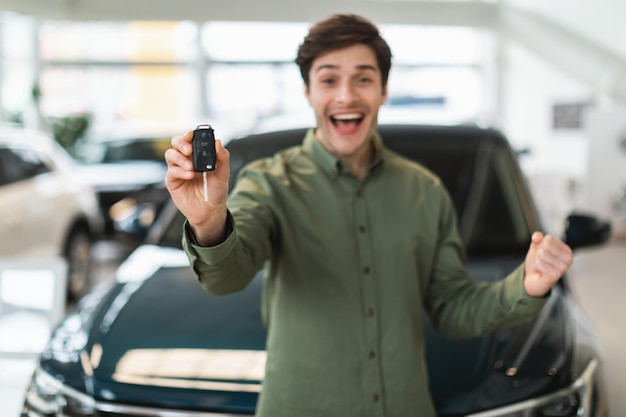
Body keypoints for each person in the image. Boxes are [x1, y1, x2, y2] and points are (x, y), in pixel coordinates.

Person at [164, 13, 573, 417]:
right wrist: (208, 220)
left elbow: (452, 306)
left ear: (382, 90)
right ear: (308, 92)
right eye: (328, 80)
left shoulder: (424, 190)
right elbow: (227, 277)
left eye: (363, 78)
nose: (346, 96)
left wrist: (527, 285)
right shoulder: (269, 184)